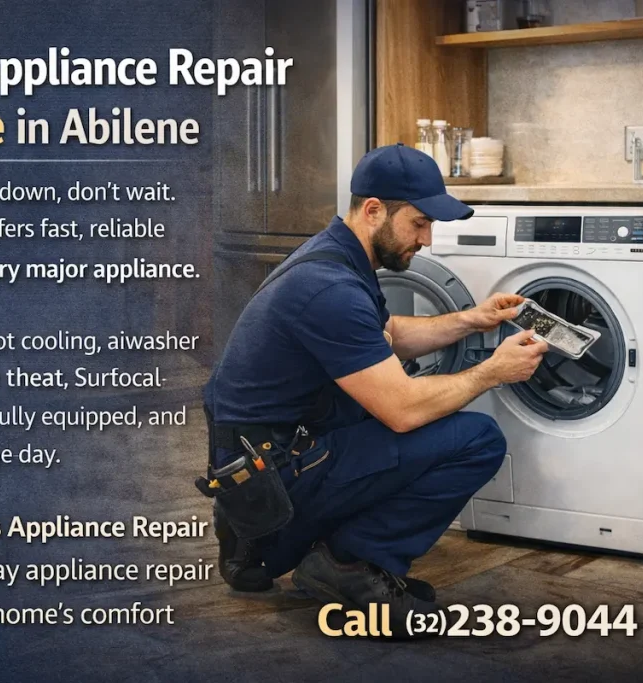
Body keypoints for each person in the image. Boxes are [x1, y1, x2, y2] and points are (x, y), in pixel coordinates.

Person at [202, 143, 548, 633]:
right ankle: (347, 564)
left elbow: (387, 335)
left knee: (376, 392)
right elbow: (403, 412)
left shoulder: (330, 258)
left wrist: (473, 320)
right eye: (419, 223)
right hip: (280, 482)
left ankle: (252, 541)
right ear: (373, 211)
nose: (427, 239)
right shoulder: (331, 289)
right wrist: (492, 371)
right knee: (476, 439)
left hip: (257, 476)